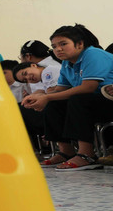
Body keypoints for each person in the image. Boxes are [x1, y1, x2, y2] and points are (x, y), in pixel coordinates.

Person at [22, 24, 113, 171]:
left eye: (63, 44)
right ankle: (66, 151)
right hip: (93, 102)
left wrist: (48, 97)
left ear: (79, 44)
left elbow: (88, 87)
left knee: (78, 99)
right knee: (55, 103)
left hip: (108, 99)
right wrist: (40, 96)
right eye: (54, 46)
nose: (58, 49)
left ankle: (87, 155)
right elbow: (60, 89)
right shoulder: (67, 63)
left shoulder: (93, 54)